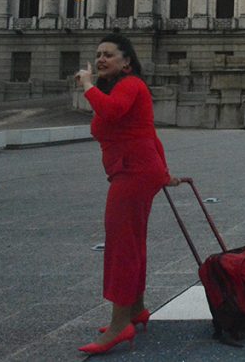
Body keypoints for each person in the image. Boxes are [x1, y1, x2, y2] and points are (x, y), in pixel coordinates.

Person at [74, 34, 181, 355]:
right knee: (132, 241)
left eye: (109, 54)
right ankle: (136, 309)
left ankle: (120, 325)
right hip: (136, 169)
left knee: (122, 244)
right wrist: (163, 173)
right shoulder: (126, 86)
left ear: (127, 62)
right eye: (98, 54)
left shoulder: (130, 86)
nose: (102, 58)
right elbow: (150, 133)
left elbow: (113, 112)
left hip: (132, 172)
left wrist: (88, 85)